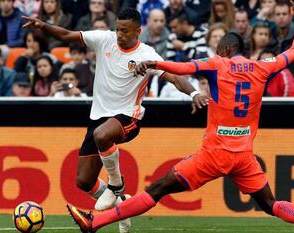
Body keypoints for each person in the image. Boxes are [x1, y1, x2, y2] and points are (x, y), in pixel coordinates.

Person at [67, 1, 294, 233]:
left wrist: (154, 62)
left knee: (158, 189)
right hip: (244, 157)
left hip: (214, 155)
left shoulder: (218, 64)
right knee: (270, 203)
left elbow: (184, 67)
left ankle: (96, 222)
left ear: (224, 50)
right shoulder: (263, 67)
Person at [23, 7, 207, 233]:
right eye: (118, 29)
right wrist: (43, 26)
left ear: (138, 31)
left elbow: (174, 77)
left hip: (129, 117)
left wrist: (194, 93)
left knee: (103, 135)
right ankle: (122, 204)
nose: (119, 34)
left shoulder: (146, 54)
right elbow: (67, 35)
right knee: (84, 182)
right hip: (97, 117)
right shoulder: (104, 40)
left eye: (125, 31)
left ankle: (116, 185)